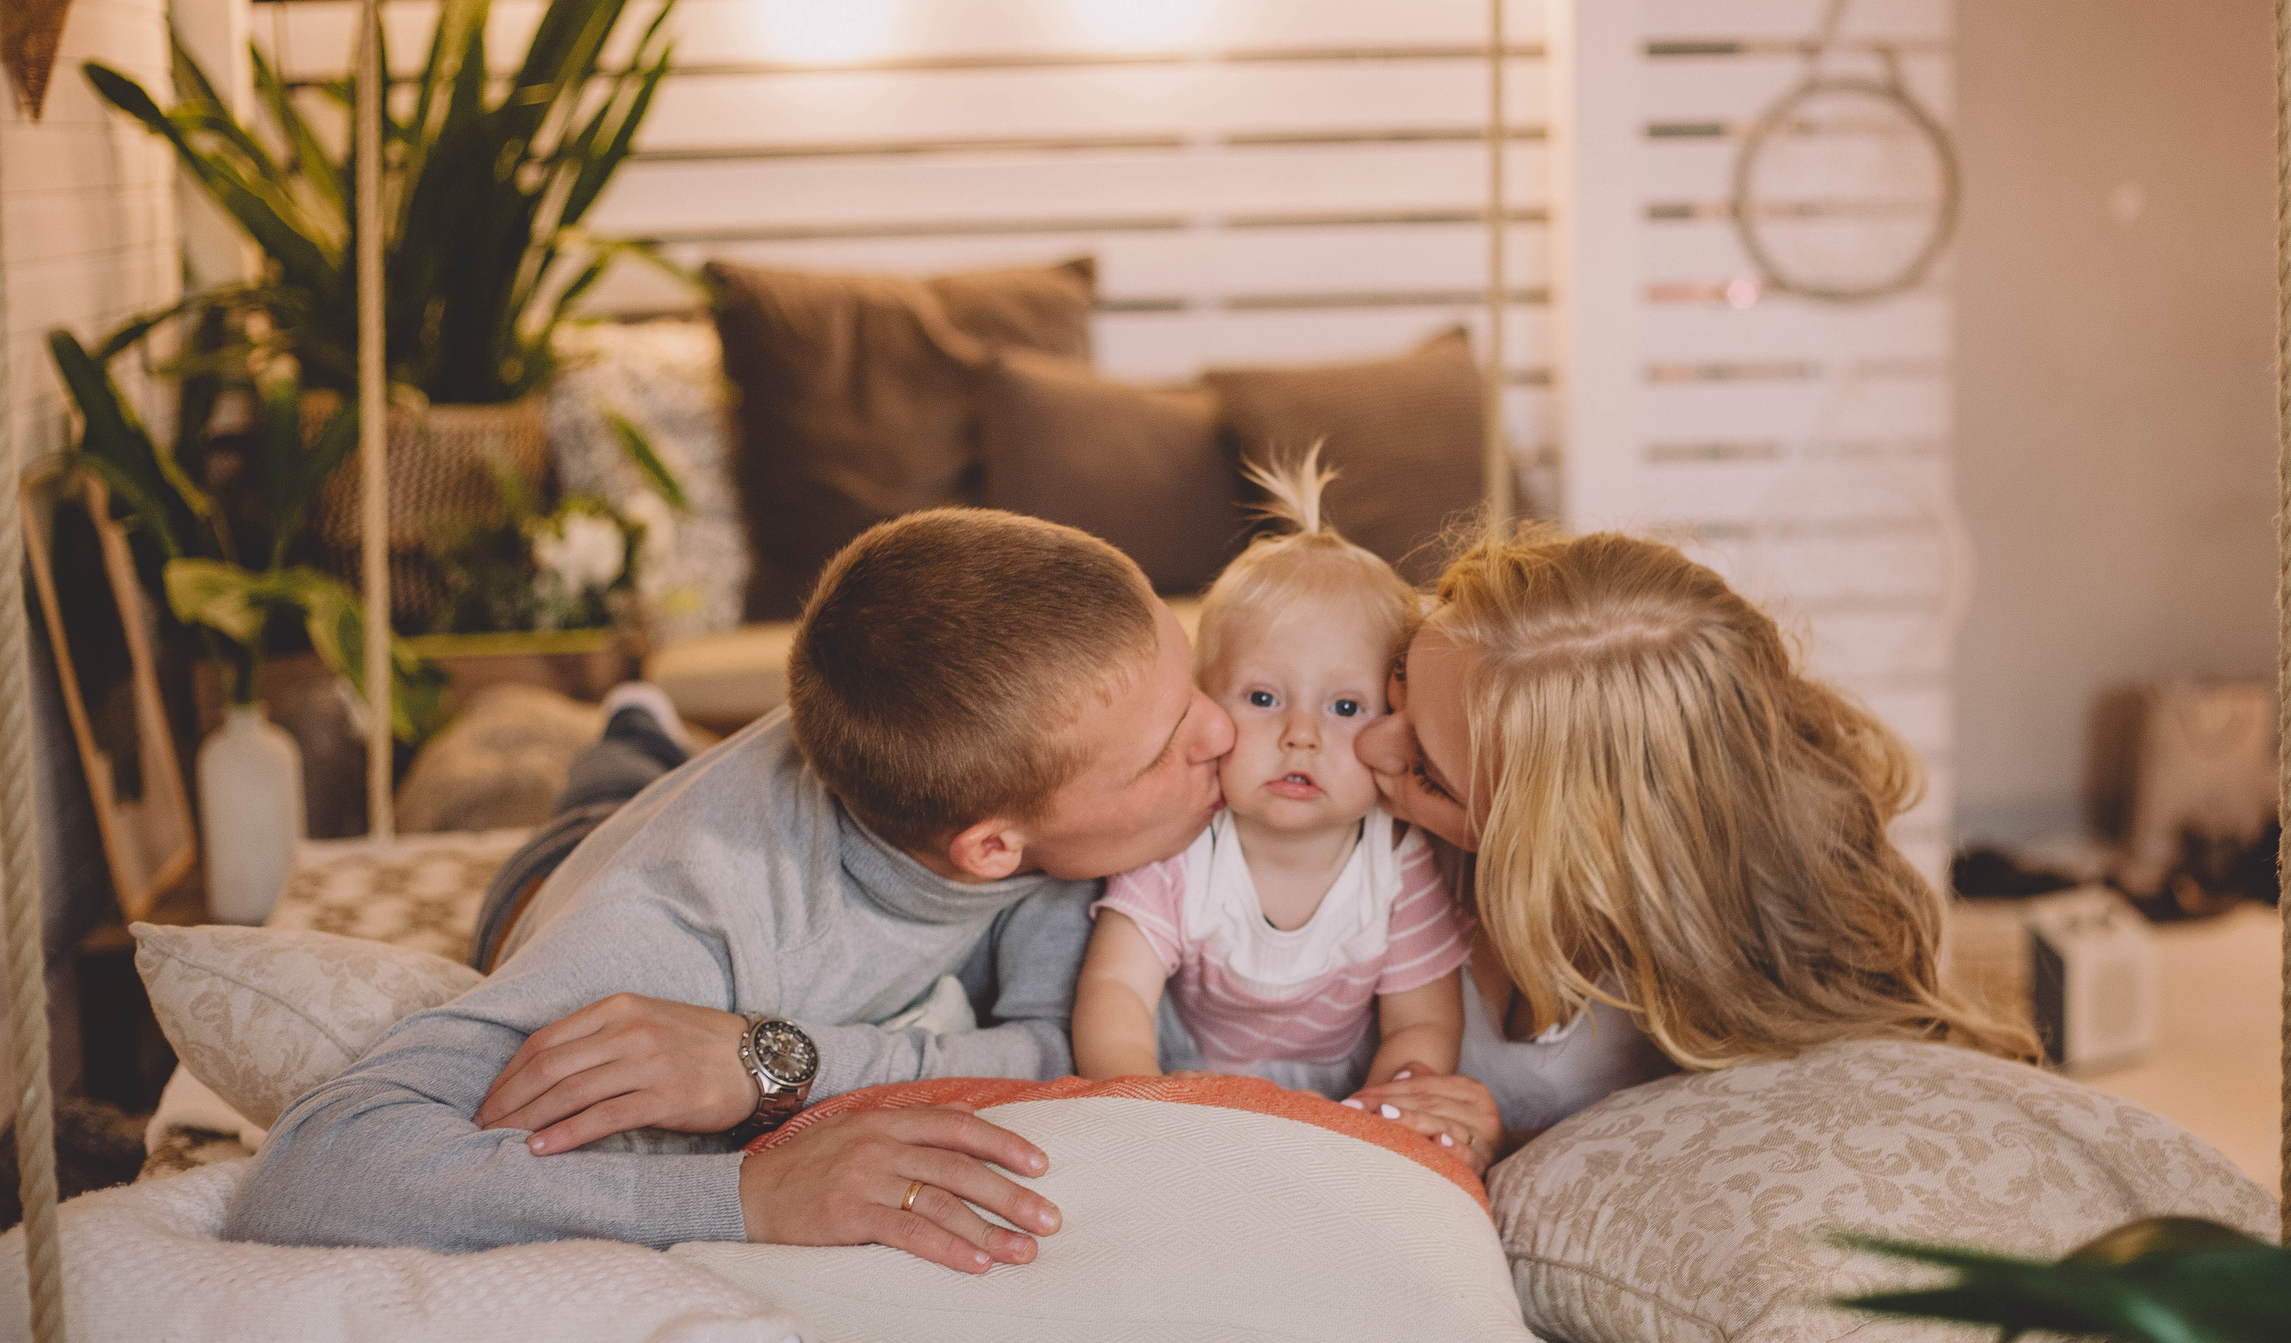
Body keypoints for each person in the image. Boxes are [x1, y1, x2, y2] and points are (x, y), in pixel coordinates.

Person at [225, 509, 1237, 1268]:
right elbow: (314, 1169)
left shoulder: (1080, 805)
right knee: (590, 797)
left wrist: (779, 1064)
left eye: (1194, 682)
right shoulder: (666, 926)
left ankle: (644, 741)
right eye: (1163, 751)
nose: (1223, 733)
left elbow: (1074, 1060)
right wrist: (743, 1195)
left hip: (801, 801)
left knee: (650, 767)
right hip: (580, 869)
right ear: (990, 849)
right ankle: (630, 735)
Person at [1345, 524, 2036, 1154]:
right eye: (1399, 679)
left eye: (1427, 775)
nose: (1366, 746)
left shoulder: (1690, 988)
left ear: (1567, 855)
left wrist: (1509, 1146)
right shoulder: (1356, 825)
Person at [1070, 458, 1478, 1151]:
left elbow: (1422, 1022)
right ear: (1205, 702)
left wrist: (1395, 1102)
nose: (1301, 734)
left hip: (1340, 1095)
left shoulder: (1396, 860)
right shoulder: (1185, 844)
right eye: (1263, 698)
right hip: (1184, 1075)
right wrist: (1140, 1095)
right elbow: (1115, 988)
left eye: (1345, 706)